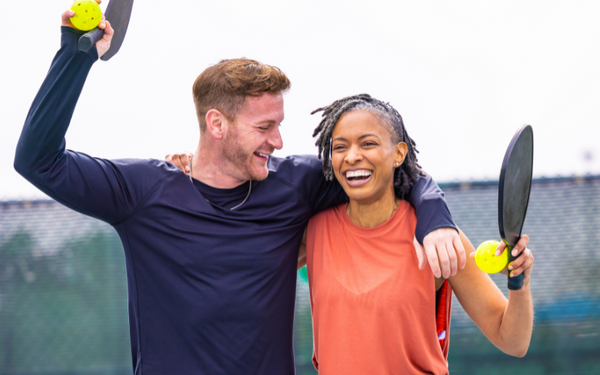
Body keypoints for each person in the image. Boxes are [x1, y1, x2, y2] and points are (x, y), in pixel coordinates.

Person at [15, 5, 466, 375]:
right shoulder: (142, 191)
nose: (278, 140)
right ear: (217, 124)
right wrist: (75, 56)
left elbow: (389, 171)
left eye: (279, 126)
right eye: (264, 127)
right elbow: (37, 160)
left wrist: (435, 217)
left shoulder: (295, 184)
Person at [295, 94, 534, 374]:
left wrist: (520, 284)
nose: (352, 156)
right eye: (340, 147)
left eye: (368, 143)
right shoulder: (313, 232)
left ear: (398, 154)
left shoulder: (441, 239)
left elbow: (512, 341)